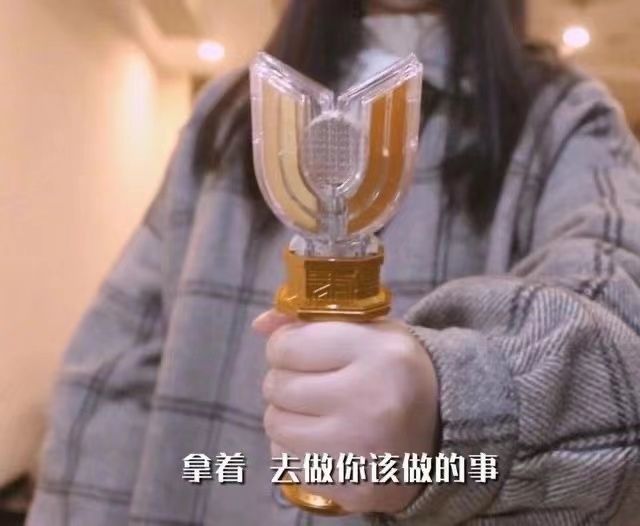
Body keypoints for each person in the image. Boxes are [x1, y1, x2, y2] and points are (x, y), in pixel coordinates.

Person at [27, 0, 640, 525]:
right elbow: (112, 380)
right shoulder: (227, 116)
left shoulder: (563, 118)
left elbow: (619, 309)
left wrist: (458, 406)